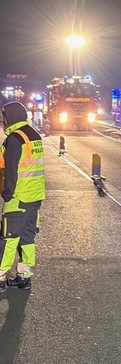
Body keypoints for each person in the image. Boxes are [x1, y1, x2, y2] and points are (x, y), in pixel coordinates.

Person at [0, 101, 46, 292]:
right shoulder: (33, 135)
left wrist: (7, 194)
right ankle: (24, 277)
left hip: (18, 196)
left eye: (4, 117)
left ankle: (0, 277)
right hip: (35, 197)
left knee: (8, 238)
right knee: (27, 238)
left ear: (11, 116)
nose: (2, 121)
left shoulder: (15, 139)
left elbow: (11, 171)